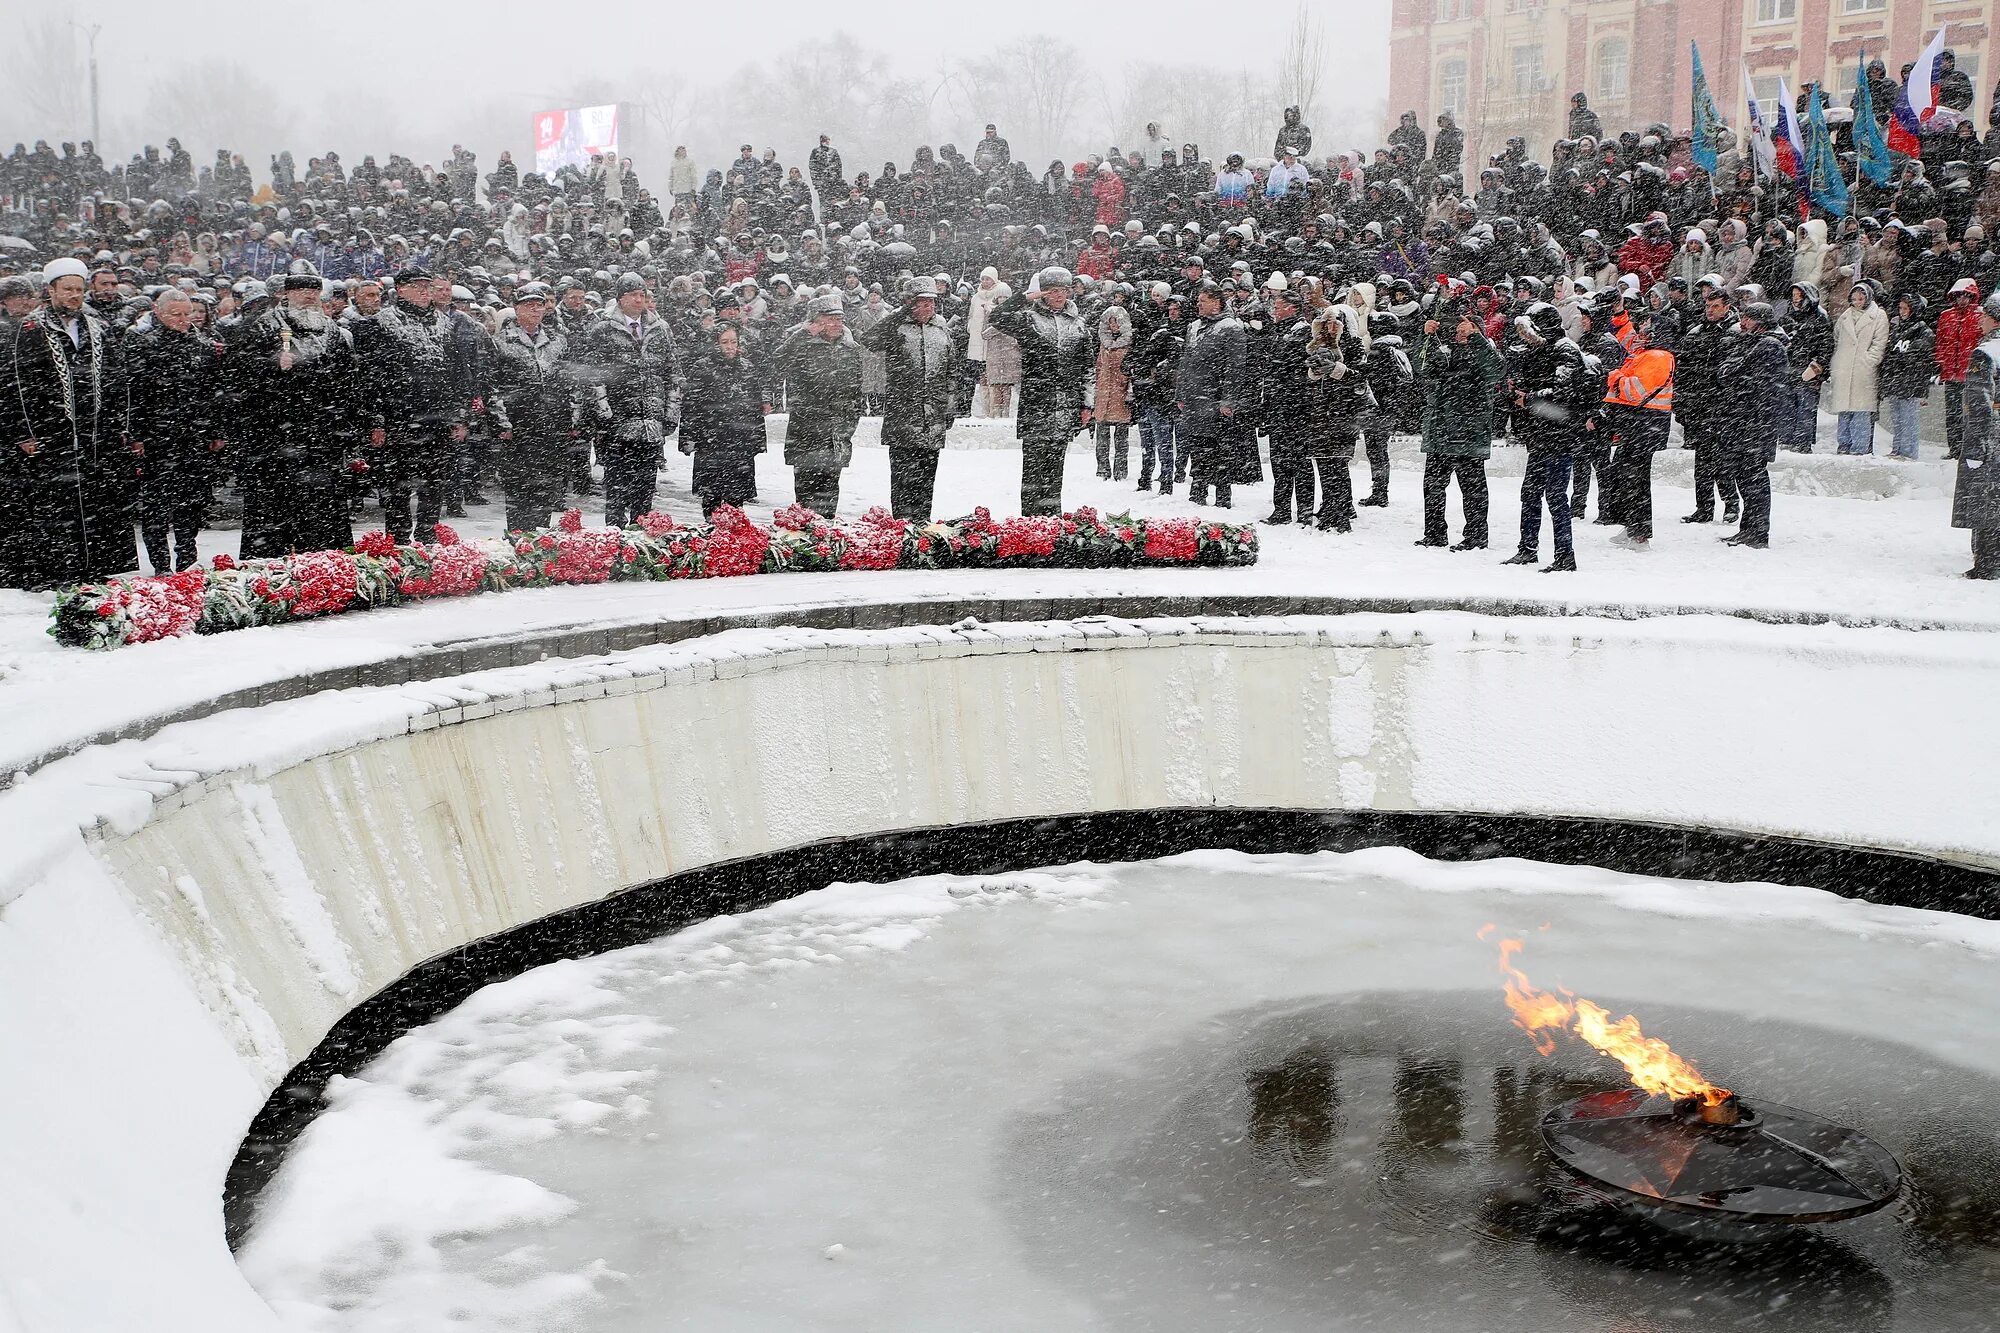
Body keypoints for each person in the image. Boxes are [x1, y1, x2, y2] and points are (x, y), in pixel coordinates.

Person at [0, 258, 133, 588]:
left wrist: (120, 424)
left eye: (79, 289)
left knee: (94, 499)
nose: (74, 296)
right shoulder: (27, 330)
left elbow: (117, 378)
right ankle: (54, 569)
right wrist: (23, 431)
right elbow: (14, 383)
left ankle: (90, 565)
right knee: (52, 502)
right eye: (67, 289)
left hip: (94, 431)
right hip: (49, 431)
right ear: (51, 291)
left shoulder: (97, 327)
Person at [234, 266, 359, 557]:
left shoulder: (331, 330)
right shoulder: (264, 325)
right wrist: (271, 365)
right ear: (286, 294)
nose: (308, 297)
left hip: (319, 430)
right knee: (275, 502)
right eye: (302, 292)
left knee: (321, 500)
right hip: (276, 432)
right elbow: (238, 375)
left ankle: (324, 559)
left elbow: (347, 379)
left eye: (314, 292)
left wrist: (344, 421)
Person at [352, 267, 463, 545]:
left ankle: (429, 536)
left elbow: (457, 374)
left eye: (428, 285)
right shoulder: (379, 324)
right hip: (397, 417)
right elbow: (370, 378)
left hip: (436, 417)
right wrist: (375, 420)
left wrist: (458, 415)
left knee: (434, 482)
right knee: (396, 485)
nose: (425, 291)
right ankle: (398, 540)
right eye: (417, 286)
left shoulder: (445, 323)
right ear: (400, 290)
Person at [124, 288, 223, 574]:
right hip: (158, 436)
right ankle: (160, 563)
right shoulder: (143, 342)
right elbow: (135, 393)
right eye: (175, 315)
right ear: (158, 312)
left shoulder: (201, 343)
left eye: (186, 314)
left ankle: (187, 559)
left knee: (190, 501)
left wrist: (215, 430)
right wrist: (137, 434)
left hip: (194, 434)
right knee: (156, 504)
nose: (182, 320)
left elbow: (213, 391)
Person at [987, 266, 1094, 516]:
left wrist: (1086, 404)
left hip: (1065, 407)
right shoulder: (1029, 320)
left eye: (1064, 291)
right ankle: (1030, 525)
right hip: (1036, 406)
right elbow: (997, 317)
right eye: (1053, 291)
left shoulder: (1079, 326)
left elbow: (1088, 368)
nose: (1059, 296)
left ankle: (1051, 522)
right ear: (1043, 293)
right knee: (1033, 470)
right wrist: (1025, 297)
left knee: (1056, 470)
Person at [581, 273, 682, 528]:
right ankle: (615, 541)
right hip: (618, 425)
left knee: (645, 492)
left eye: (643, 295)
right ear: (620, 298)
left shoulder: (660, 329)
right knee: (616, 491)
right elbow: (593, 378)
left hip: (651, 424)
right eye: (634, 295)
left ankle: (640, 542)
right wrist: (605, 416)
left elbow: (673, 374)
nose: (640, 300)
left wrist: (670, 414)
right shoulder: (603, 330)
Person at [858, 275, 962, 520]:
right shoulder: (896, 328)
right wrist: (900, 313)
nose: (928, 308)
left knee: (927, 480)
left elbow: (952, 373)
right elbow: (869, 339)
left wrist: (950, 407)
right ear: (909, 303)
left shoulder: (941, 331)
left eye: (931, 303)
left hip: (933, 419)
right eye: (921, 302)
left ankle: (922, 528)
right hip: (903, 418)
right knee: (903, 481)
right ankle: (902, 528)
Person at [1500, 302, 1594, 573]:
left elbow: (1562, 391)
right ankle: (1527, 548)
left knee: (1555, 496)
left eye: (1531, 330)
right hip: (1540, 435)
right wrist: (1517, 390)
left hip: (1559, 436)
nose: (1526, 337)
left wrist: (1527, 398)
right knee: (1530, 493)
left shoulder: (1566, 349)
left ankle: (1565, 555)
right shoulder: (1539, 351)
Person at [1414, 299, 1504, 550]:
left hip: (1468, 435)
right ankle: (1434, 534)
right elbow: (1420, 367)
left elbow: (1496, 371)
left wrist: (1476, 339)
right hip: (1440, 432)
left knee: (1473, 490)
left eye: (1466, 330)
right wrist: (1426, 337)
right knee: (1432, 488)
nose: (1459, 333)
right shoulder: (1445, 354)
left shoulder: (1486, 354)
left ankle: (1476, 538)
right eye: (1458, 331)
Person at [487, 282, 576, 533]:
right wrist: (502, 422)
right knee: (518, 488)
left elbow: (570, 382)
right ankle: (518, 539)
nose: (535, 310)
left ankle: (539, 540)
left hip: (551, 427)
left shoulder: (557, 341)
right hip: (518, 428)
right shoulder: (501, 342)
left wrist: (571, 419)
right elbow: (492, 387)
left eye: (540, 305)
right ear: (516, 309)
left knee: (545, 487)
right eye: (529, 305)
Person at [777, 295, 863, 516]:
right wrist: (803, 334)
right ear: (815, 321)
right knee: (804, 503)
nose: (837, 324)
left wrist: (847, 425)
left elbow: (856, 395)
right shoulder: (800, 345)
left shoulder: (851, 349)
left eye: (839, 318)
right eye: (830, 319)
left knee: (828, 499)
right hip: (806, 434)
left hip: (835, 437)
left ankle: (824, 545)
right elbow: (774, 365)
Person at [1713, 301, 1786, 549]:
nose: (1742, 322)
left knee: (1754, 479)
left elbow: (1738, 377)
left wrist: (1736, 374)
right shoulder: (1749, 343)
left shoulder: (1769, 345)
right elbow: (1723, 373)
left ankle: (1758, 533)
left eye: (1748, 318)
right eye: (1743, 317)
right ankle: (1748, 530)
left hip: (1757, 423)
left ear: (1761, 321)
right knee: (1745, 477)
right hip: (1744, 422)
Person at [1599, 309, 1675, 548]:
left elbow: (1635, 390)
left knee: (1636, 481)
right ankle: (1632, 525)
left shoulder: (1658, 356)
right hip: (1636, 426)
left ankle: (1640, 534)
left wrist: (1614, 376)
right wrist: (1619, 314)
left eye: (1646, 328)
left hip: (1646, 427)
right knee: (1623, 476)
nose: (1641, 332)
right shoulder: (1643, 353)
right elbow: (1625, 335)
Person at [680, 322, 769, 519]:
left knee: (737, 500)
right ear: (716, 344)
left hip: (740, 442)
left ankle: (733, 542)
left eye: (733, 341)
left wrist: (757, 439)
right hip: (711, 441)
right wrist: (688, 437)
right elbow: (690, 406)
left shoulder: (747, 367)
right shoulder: (702, 367)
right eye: (725, 342)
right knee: (711, 497)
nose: (730, 346)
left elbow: (755, 408)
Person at [1175, 280, 1250, 509]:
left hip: (1216, 397)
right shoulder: (1194, 326)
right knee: (1197, 445)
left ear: (1216, 302)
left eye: (1203, 301)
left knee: (1220, 448)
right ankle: (1197, 490)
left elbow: (1235, 367)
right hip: (1195, 396)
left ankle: (1222, 494)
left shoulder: (1231, 327)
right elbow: (1185, 362)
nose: (1198, 305)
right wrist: (1181, 392)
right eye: (1198, 301)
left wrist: (1229, 399)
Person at [1301, 302, 1371, 531]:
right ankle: (1331, 505)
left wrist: (1336, 370)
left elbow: (1361, 377)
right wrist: (1314, 371)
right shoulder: (1317, 345)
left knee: (1338, 463)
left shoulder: (1353, 346)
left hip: (1344, 413)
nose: (1331, 328)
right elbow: (1310, 382)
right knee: (1324, 461)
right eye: (1327, 322)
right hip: (1320, 413)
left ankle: (1339, 510)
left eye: (1336, 323)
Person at [1675, 287, 1741, 525]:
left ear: (1726, 306)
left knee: (1723, 461)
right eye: (1708, 306)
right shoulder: (1696, 331)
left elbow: (1735, 374)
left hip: (1723, 407)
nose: (1710, 311)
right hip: (1699, 406)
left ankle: (1731, 503)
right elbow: (1683, 371)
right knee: (1702, 462)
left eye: (1715, 306)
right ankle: (1703, 507)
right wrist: (1681, 403)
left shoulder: (1736, 332)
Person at [1262, 284, 1315, 524]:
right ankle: (1281, 508)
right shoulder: (1277, 331)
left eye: (1279, 306)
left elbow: (1291, 366)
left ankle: (1304, 509)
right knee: (1280, 459)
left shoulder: (1302, 331)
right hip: (1278, 404)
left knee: (1299, 459)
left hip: (1296, 405)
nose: (1275, 310)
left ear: (1292, 308)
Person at [1955, 293, 2000, 578]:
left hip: (1991, 434)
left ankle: (1987, 562)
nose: (1980, 319)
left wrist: (1976, 443)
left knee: (1985, 500)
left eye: (1984, 315)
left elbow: (1980, 403)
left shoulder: (1986, 353)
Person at [1128, 289, 1182, 493]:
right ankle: (1148, 478)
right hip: (1146, 395)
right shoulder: (1149, 338)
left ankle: (1164, 480)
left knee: (1160, 441)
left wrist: (1151, 371)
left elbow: (1170, 364)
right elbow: (1129, 364)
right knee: (1150, 442)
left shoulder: (1165, 337)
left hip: (1157, 396)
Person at [1829, 283, 1889, 455]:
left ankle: (1860, 447)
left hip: (1863, 370)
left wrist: (1868, 360)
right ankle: (1844, 444)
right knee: (1845, 409)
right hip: (1845, 367)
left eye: (1861, 298)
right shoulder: (1845, 316)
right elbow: (1837, 337)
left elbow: (1879, 343)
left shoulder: (1878, 316)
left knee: (1861, 410)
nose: (1857, 302)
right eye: (1854, 299)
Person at [1880, 293, 1936, 461]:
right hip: (1896, 379)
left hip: (1910, 381)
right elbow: (1890, 354)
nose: (1902, 312)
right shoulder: (1896, 328)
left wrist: (1905, 361)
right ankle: (1897, 448)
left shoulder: (1923, 331)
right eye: (1900, 308)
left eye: (1906, 309)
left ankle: (1909, 451)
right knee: (1897, 418)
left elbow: (1922, 357)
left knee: (1908, 418)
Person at [1936, 278, 1982, 460]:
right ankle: (1954, 448)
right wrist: (1942, 365)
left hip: (1970, 374)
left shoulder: (1979, 316)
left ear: (1972, 296)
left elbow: (1979, 344)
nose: (1962, 300)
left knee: (1969, 414)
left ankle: (1967, 449)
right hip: (1951, 373)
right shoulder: (1946, 316)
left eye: (1965, 296)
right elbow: (1940, 343)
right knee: (1952, 413)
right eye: (1958, 296)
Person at [1091, 303, 1134, 482]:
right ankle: (1102, 469)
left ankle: (1120, 471)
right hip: (1103, 394)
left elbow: (1132, 370)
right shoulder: (1103, 344)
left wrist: (1130, 391)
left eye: (1116, 322)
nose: (1113, 325)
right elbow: (1098, 368)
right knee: (1102, 435)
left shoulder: (1129, 344)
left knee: (1121, 438)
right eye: (1110, 322)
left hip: (1121, 394)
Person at [964, 268, 1012, 417]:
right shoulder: (976, 297)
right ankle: (985, 410)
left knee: (994, 377)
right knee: (982, 376)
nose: (985, 282)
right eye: (983, 279)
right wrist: (971, 327)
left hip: (994, 343)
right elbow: (971, 315)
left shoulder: (999, 293)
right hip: (977, 339)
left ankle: (995, 410)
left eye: (988, 279)